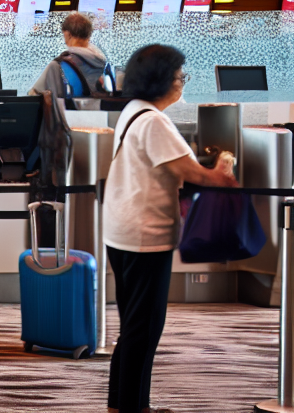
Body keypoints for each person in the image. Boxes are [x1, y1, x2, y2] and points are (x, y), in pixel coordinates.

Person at [104, 44, 237, 413]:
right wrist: (225, 168)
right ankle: (131, 407)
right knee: (143, 330)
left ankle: (125, 404)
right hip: (145, 234)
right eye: (180, 75)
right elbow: (194, 174)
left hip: (121, 230)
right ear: (162, 80)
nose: (182, 82)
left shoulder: (133, 111)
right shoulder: (154, 121)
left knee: (133, 326)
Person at [31, 12, 115, 98]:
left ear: (68, 34)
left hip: (69, 110)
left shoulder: (59, 65)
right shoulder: (103, 62)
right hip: (99, 110)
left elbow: (33, 94)